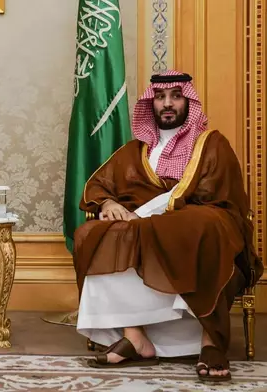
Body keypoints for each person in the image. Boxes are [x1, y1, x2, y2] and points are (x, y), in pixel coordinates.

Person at [72, 70, 263, 382]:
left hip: (199, 222)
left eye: (176, 96)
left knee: (198, 224)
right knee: (94, 233)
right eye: (160, 97)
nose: (167, 104)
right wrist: (109, 204)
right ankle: (135, 336)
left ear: (188, 102)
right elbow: (100, 186)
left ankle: (210, 340)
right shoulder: (136, 151)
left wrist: (150, 214)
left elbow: (216, 195)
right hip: (147, 229)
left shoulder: (211, 144)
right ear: (152, 105)